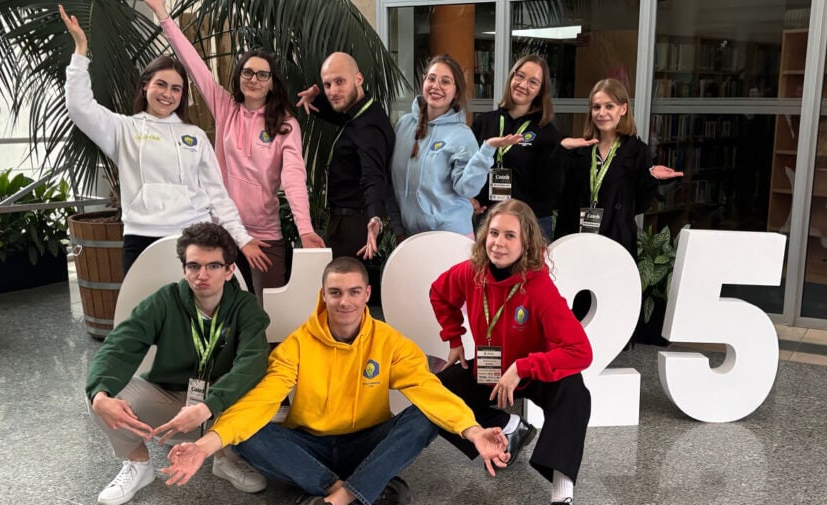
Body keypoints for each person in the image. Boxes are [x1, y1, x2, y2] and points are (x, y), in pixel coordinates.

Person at [160, 257, 511, 505]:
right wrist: (203, 447)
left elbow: (427, 389)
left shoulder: (391, 343)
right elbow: (262, 400)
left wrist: (473, 431)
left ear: (367, 294)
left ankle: (336, 497)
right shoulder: (297, 344)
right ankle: (356, 488)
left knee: (425, 416)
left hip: (368, 441)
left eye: (354, 292)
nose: (345, 302)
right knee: (244, 428)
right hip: (310, 445)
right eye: (336, 292)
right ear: (323, 295)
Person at [60, 5, 267, 274]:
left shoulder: (194, 136)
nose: (167, 94)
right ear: (145, 84)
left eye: (176, 89)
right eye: (161, 84)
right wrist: (80, 50)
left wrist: (242, 238)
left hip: (195, 238)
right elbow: (79, 106)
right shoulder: (123, 129)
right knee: (145, 304)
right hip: (141, 237)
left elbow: (217, 194)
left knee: (196, 303)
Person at [144, 0, 325, 300]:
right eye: (247, 72)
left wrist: (304, 229)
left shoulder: (285, 124)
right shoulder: (225, 108)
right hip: (224, 231)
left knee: (269, 310)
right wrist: (163, 14)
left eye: (262, 75)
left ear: (272, 83)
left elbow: (294, 178)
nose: (254, 79)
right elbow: (194, 64)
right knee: (222, 307)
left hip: (264, 236)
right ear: (239, 77)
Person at [84, 222, 271, 505]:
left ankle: (225, 459)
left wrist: (208, 406)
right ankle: (138, 464)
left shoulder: (245, 307)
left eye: (213, 266)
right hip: (170, 398)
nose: (202, 275)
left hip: (221, 403)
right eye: (193, 266)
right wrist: (100, 393)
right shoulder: (165, 300)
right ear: (184, 269)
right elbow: (119, 346)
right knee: (99, 394)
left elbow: (252, 363)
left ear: (230, 269)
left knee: (253, 389)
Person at [430, 199, 594, 505]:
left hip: (533, 372)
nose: (498, 243)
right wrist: (454, 338)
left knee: (574, 393)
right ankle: (509, 428)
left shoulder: (539, 287)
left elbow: (580, 351)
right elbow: (439, 293)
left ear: (526, 242)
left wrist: (522, 367)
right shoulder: (471, 272)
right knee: (433, 392)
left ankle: (562, 488)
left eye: (509, 236)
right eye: (494, 233)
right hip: (491, 368)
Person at [388, 54, 522, 238]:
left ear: (456, 91)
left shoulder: (461, 134)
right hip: (410, 235)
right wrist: (397, 227)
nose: (436, 86)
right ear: (424, 81)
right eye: (431, 79)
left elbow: (467, 189)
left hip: (451, 235)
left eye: (445, 81)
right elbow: (393, 181)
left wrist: (486, 151)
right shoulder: (404, 125)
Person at [552, 78, 683, 257]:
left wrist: (650, 177)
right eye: (596, 107)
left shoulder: (637, 151)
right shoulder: (580, 149)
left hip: (616, 242)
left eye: (609, 106)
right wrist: (561, 151)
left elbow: (640, 206)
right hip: (577, 241)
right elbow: (559, 196)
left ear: (623, 109)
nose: (602, 113)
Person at [296, 53, 395, 260]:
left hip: (355, 225)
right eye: (327, 84)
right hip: (345, 221)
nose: (333, 91)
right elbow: (338, 113)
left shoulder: (369, 127)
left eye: (340, 82)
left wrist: (375, 217)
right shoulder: (359, 113)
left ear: (358, 79)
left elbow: (373, 175)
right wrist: (316, 98)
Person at [471, 55, 563, 241]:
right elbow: (468, 168)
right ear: (511, 77)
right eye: (520, 76)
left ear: (541, 91)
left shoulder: (546, 132)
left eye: (533, 82)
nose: (523, 84)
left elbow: (551, 188)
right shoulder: (484, 122)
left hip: (530, 223)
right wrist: (470, 197)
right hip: (489, 219)